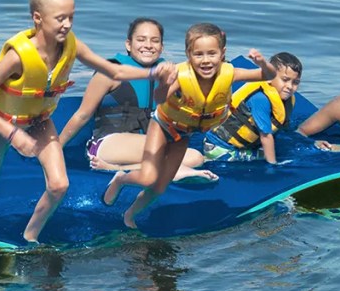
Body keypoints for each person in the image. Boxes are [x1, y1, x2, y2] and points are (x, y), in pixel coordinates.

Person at [0, 0, 174, 242]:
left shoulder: (72, 46)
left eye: (71, 17)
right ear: (38, 18)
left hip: (40, 123)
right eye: (60, 18)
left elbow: (114, 71)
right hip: (6, 123)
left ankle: (29, 238)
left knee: (59, 185)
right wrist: (13, 134)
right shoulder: (17, 57)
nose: (67, 24)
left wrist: (152, 72)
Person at [103, 23, 277, 228]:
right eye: (198, 54)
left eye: (211, 53)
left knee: (160, 187)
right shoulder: (180, 75)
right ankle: (120, 179)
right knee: (148, 177)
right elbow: (158, 99)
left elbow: (269, 75)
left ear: (222, 53)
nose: (206, 60)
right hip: (162, 126)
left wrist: (262, 63)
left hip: (184, 133)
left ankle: (130, 215)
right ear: (188, 54)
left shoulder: (229, 73)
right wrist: (165, 82)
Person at [57, 17, 216, 182]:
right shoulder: (111, 72)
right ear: (128, 44)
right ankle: (171, 171)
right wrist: (56, 148)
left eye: (155, 41)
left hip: (146, 147)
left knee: (195, 158)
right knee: (183, 154)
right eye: (141, 40)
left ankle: (120, 169)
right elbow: (82, 115)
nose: (148, 45)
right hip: (109, 144)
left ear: (161, 47)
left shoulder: (170, 76)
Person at [202, 52, 303, 164]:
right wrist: (273, 165)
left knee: (280, 148)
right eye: (284, 79)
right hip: (220, 147)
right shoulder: (260, 99)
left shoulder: (286, 100)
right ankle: (204, 160)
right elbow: (266, 136)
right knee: (272, 155)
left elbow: (282, 127)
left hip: (241, 145)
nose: (289, 86)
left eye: (295, 82)